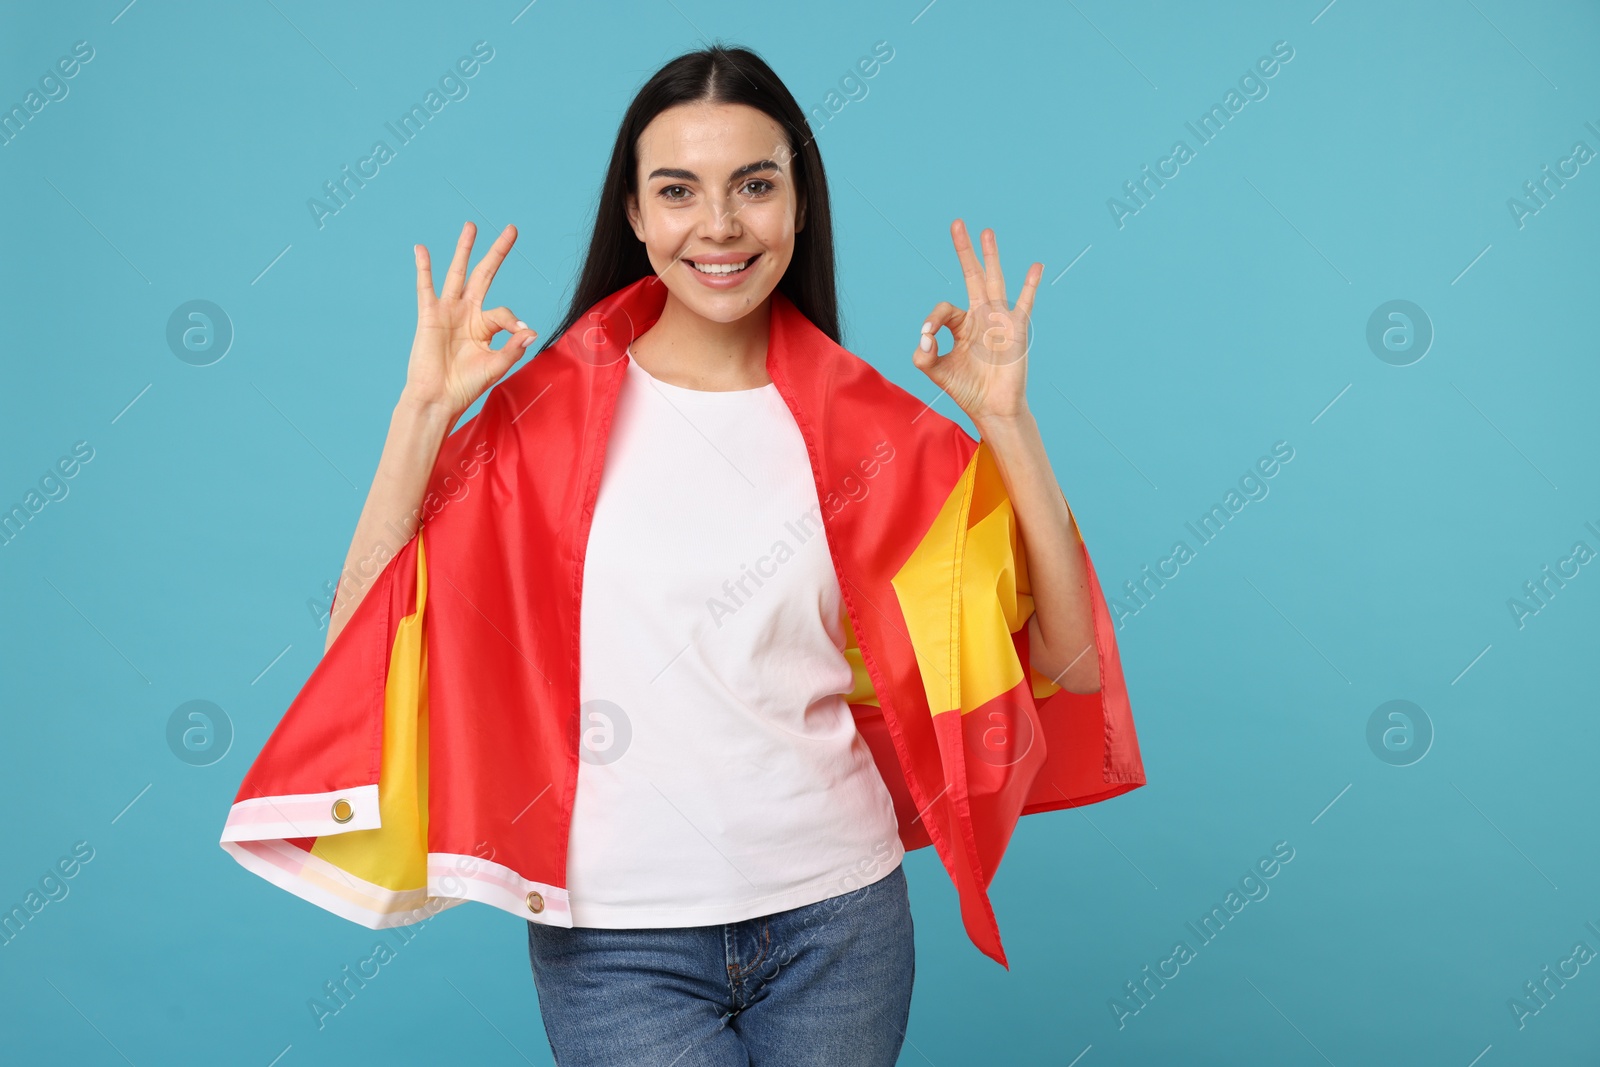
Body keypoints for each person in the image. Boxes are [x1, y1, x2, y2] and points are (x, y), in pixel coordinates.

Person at [308, 43, 1116, 1067]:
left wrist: (1007, 423)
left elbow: (1069, 658)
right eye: (678, 190)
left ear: (799, 205)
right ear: (637, 215)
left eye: (755, 185)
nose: (720, 224)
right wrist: (421, 414)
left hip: (841, 923)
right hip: (614, 938)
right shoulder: (542, 424)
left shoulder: (876, 438)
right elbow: (358, 654)